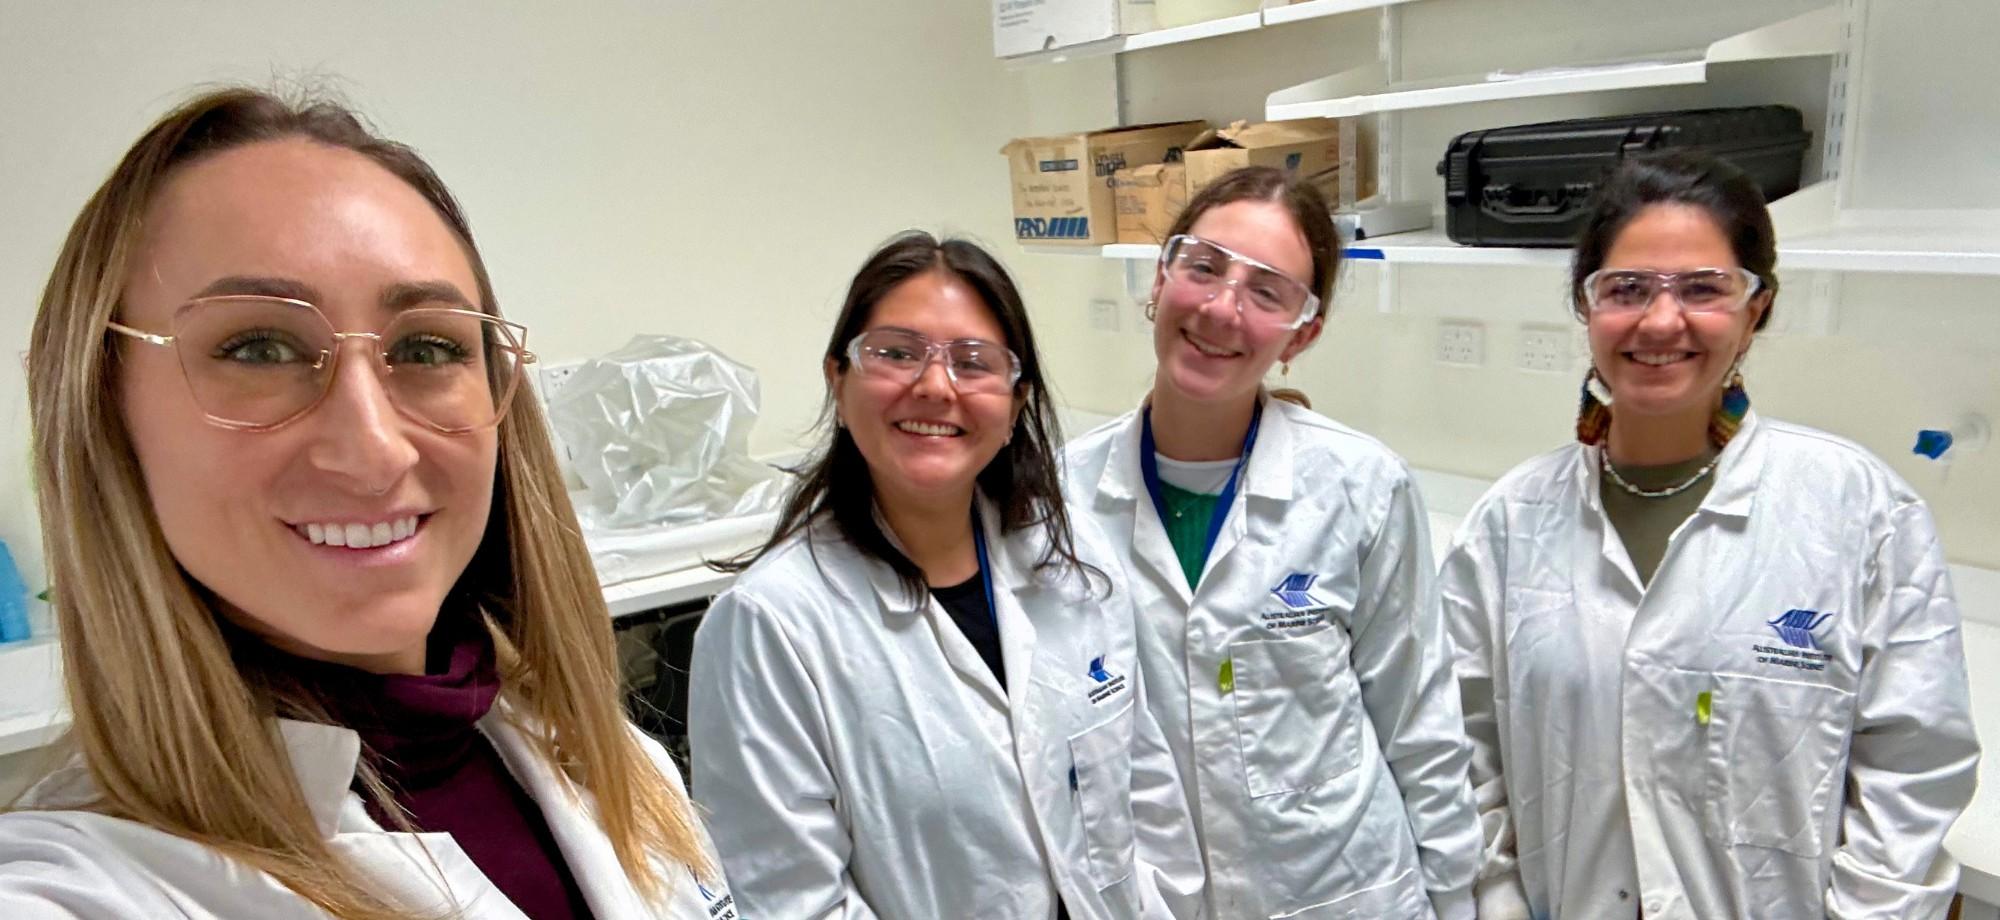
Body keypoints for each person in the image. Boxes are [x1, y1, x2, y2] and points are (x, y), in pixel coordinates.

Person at [0, 87, 732, 919]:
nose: (375, 448)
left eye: (427, 346)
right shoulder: (72, 886)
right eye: (259, 347)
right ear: (102, 408)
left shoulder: (606, 762)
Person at [1440, 150, 1979, 920]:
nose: (1662, 320)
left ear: (1754, 309)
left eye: (1703, 288)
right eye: (1626, 289)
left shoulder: (1858, 513)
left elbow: (1912, 772)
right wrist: (1497, 902)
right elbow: (1465, 749)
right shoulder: (1509, 523)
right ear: (1587, 308)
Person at [690, 232, 1204, 920]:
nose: (935, 386)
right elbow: (793, 901)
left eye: (973, 362)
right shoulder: (770, 625)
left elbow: (1147, 792)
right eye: (896, 353)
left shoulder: (1073, 559)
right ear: (838, 383)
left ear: (1016, 401)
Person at [1063, 166, 1483, 919]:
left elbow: (1420, 722)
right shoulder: (1061, 499)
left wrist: (1455, 899)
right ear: (1159, 281)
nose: (1224, 309)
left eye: (1268, 292)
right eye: (1204, 268)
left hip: (1343, 893)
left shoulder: (1362, 486)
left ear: (1304, 332)